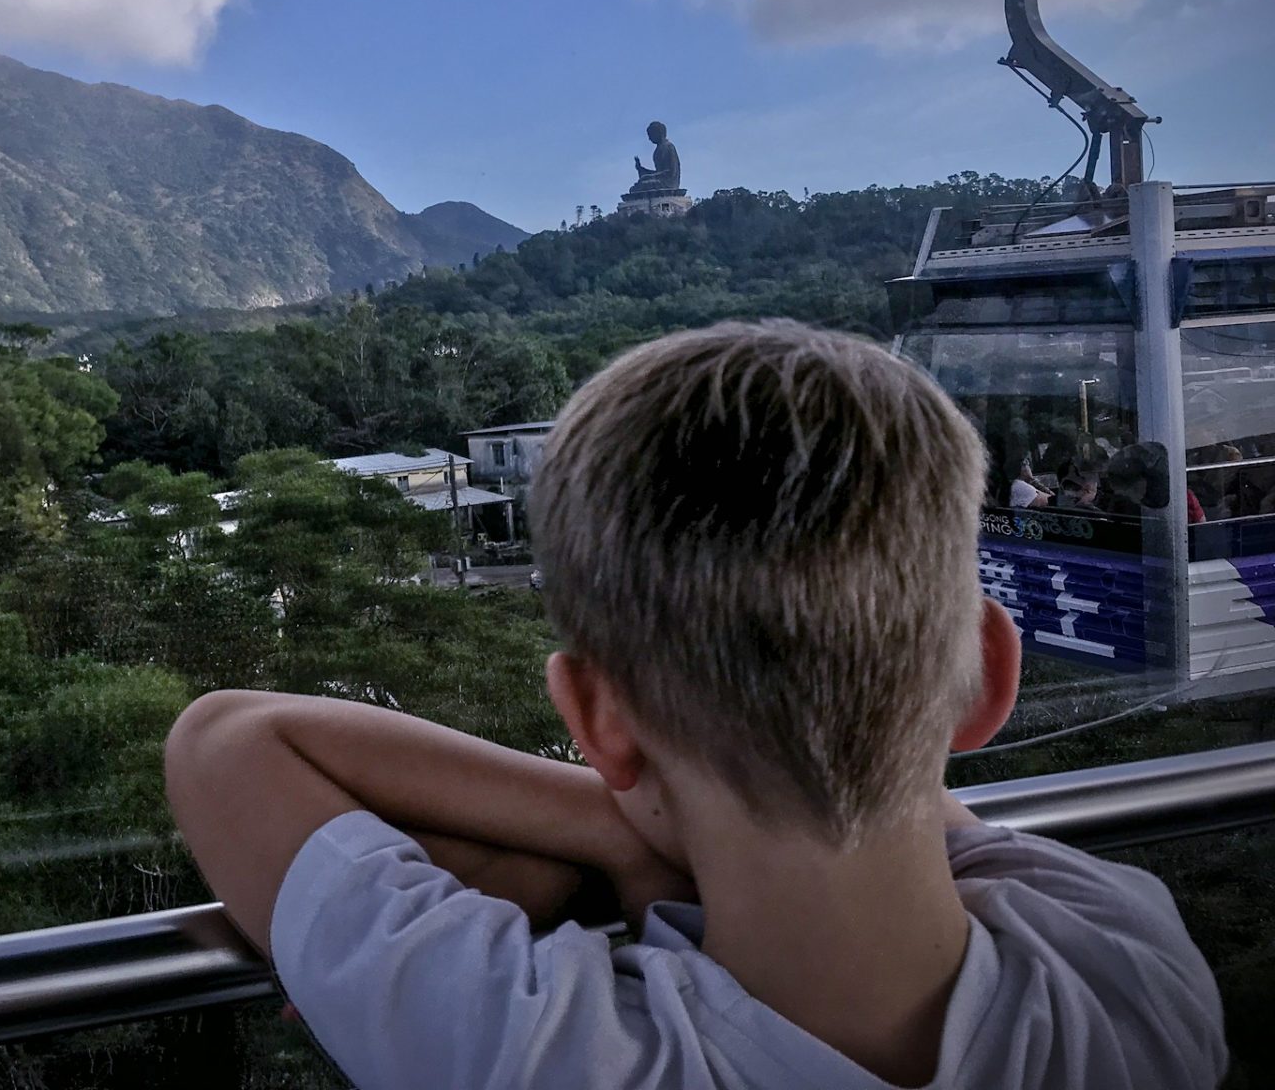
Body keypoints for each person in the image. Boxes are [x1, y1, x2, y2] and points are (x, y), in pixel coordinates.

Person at [166, 321, 1225, 1090]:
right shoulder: (1130, 963)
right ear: (993, 677)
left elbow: (229, 740)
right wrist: (651, 817)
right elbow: (884, 777)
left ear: (596, 721)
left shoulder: (545, 1052)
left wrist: (610, 829)